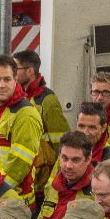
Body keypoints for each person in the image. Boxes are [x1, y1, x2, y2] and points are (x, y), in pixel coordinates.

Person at [0, 55, 44, 193]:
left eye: (7, 79)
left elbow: (18, 167)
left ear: (15, 80)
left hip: (12, 200)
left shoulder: (26, 115)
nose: (1, 85)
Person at [35, 129, 97, 219]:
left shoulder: (95, 195)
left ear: (88, 159)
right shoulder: (53, 187)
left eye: (75, 160)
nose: (68, 166)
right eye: (64, 158)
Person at [13, 49, 68, 187]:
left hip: (42, 177)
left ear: (30, 71)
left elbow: (61, 142)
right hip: (24, 171)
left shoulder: (47, 100)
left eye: (16, 69)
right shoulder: (18, 97)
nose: (12, 73)